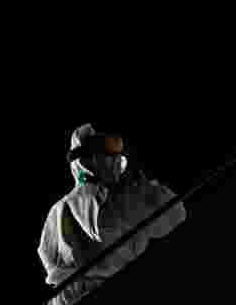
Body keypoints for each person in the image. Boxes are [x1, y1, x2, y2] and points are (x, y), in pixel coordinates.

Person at [37, 124, 187, 305]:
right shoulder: (93, 199)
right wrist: (144, 191)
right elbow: (108, 226)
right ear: (88, 161)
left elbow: (176, 215)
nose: (116, 162)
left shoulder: (60, 208)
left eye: (118, 157)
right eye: (108, 157)